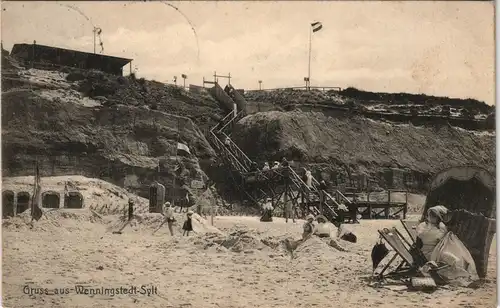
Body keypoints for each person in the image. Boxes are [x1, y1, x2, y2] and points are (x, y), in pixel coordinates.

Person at [416, 205, 479, 286]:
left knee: (454, 257)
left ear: (438, 218)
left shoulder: (441, 226)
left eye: (434, 216)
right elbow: (425, 236)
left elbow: (443, 238)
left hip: (439, 249)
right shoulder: (423, 226)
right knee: (450, 258)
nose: (431, 218)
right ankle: (449, 276)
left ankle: (457, 274)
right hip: (428, 252)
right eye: (430, 215)